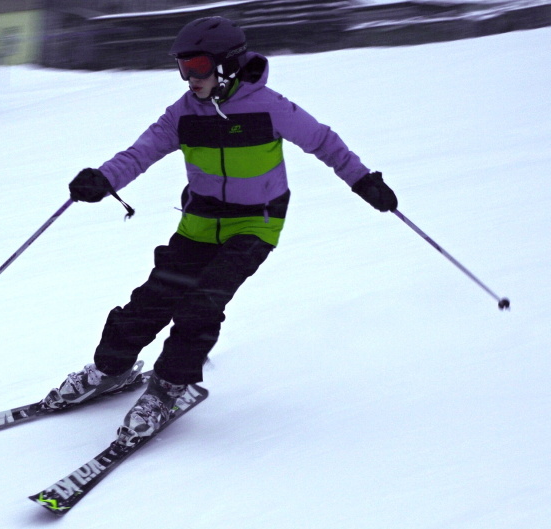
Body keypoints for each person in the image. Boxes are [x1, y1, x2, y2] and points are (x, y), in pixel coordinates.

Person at [42, 16, 398, 447]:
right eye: (182, 67)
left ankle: (169, 387)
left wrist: (363, 181)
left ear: (227, 65)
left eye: (197, 66)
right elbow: (140, 153)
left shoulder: (269, 107)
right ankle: (110, 370)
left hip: (255, 222)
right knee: (153, 298)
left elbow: (324, 142)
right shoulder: (183, 113)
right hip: (199, 222)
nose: (189, 77)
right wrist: (104, 179)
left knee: (202, 303)